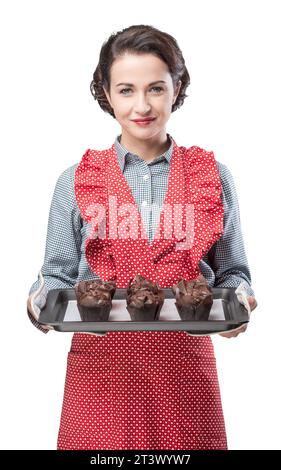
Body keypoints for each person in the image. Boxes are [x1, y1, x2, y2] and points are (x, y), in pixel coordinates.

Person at [27, 24, 257, 450]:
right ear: (107, 94)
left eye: (155, 88)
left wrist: (239, 301)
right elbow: (55, 275)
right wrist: (39, 301)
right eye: (127, 90)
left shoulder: (213, 176)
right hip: (100, 378)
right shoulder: (75, 180)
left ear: (177, 87)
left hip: (185, 375)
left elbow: (233, 273)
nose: (142, 105)